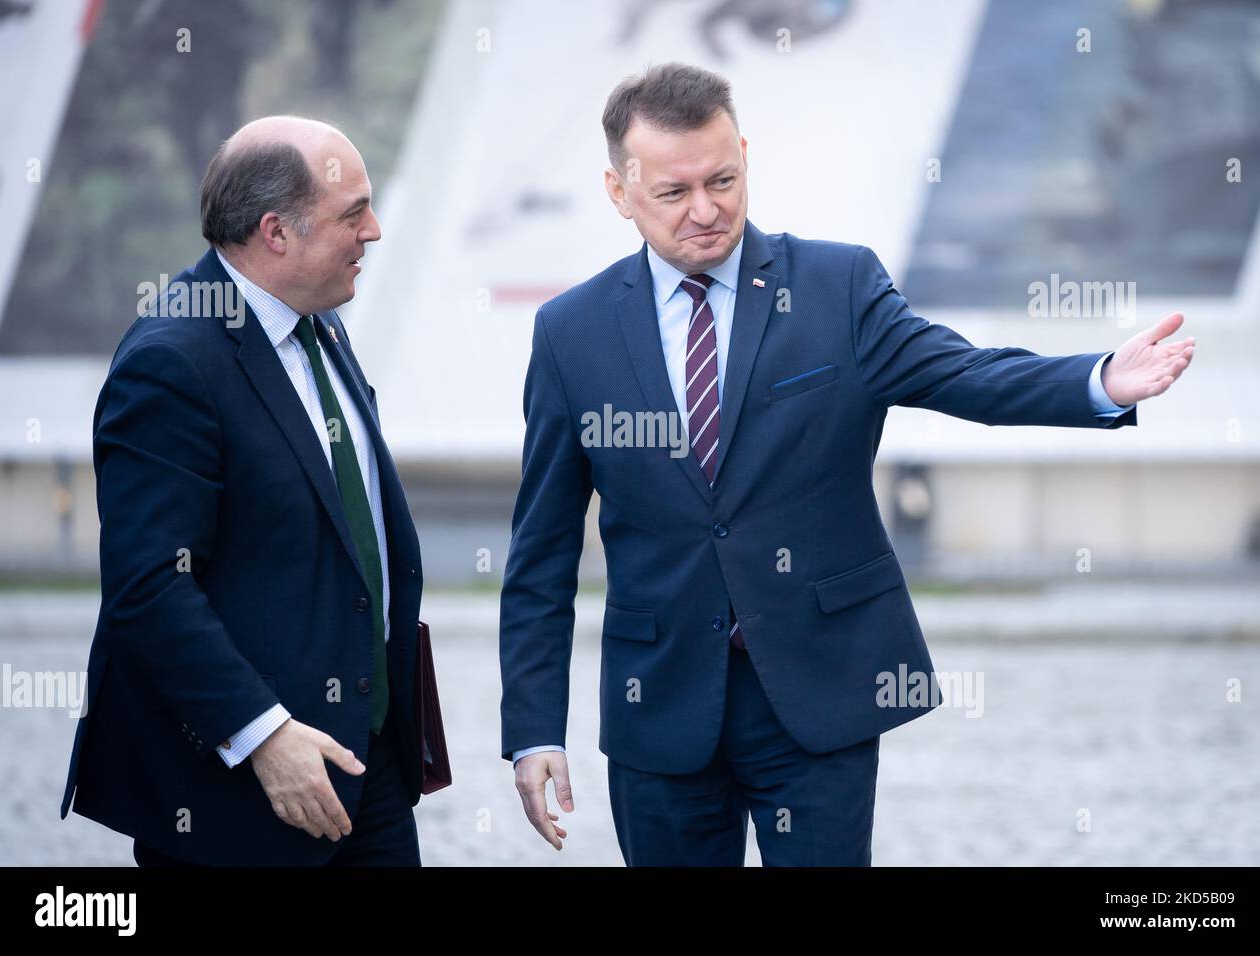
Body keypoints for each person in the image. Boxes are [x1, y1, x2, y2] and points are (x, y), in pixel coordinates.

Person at [499, 63, 1195, 865]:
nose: (706, 210)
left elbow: (964, 374)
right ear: (620, 192)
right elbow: (541, 554)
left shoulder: (838, 286)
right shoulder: (569, 332)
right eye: (673, 192)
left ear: (746, 158)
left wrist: (1099, 380)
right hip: (658, 710)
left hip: (817, 695)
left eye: (723, 180)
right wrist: (533, 731)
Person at [61, 116, 437, 866]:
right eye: (352, 212)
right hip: (239, 794)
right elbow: (150, 589)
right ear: (276, 233)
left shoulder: (319, 321)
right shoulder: (171, 362)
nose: (375, 230)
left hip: (366, 770)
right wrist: (262, 734)